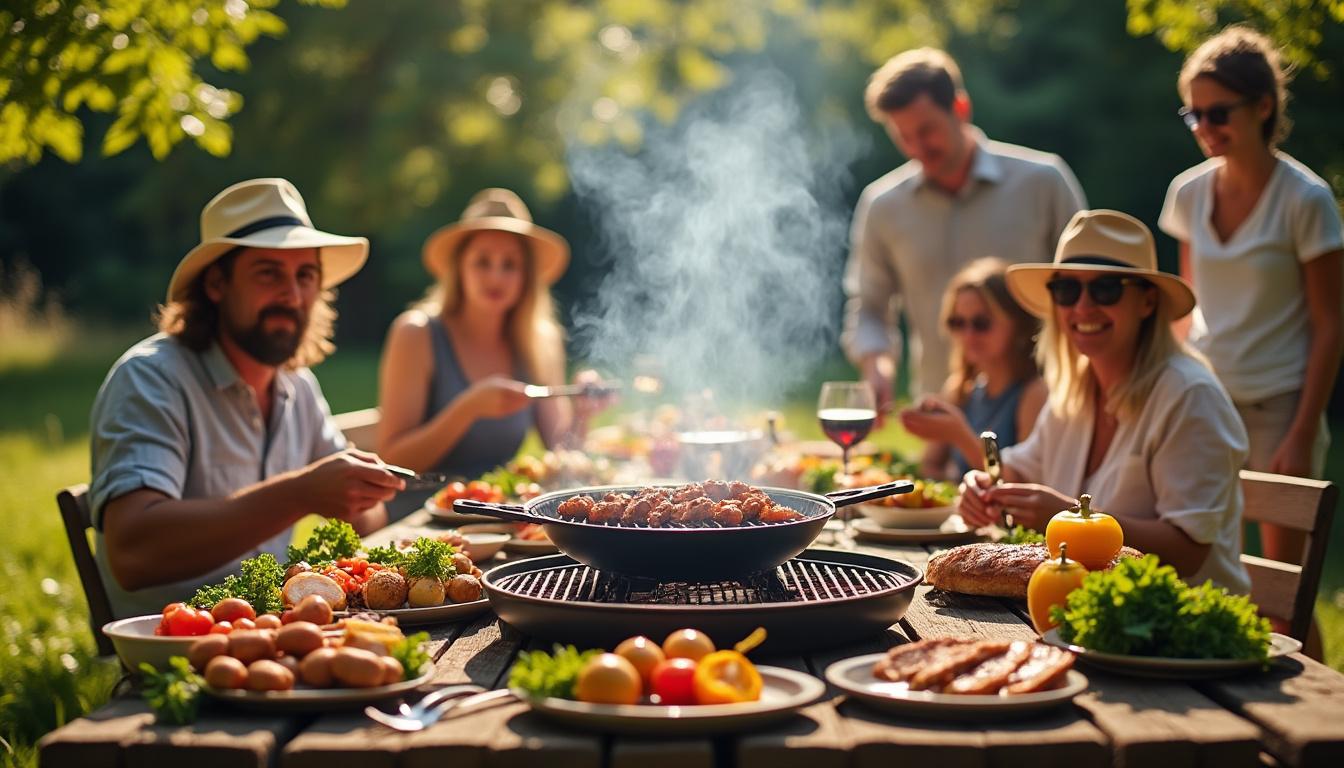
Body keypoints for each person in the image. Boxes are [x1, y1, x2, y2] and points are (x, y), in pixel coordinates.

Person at [90, 178, 405, 618]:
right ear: (216, 284)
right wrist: (301, 494)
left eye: (305, 275)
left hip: (273, 626)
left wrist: (360, 491)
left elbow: (367, 518)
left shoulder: (297, 387)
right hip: (176, 647)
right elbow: (134, 553)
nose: (292, 295)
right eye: (268, 273)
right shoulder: (151, 378)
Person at [959, 210, 1251, 593]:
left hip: (1173, 622)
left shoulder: (1189, 395)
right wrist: (980, 485)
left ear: (1147, 302)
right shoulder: (1074, 390)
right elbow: (1020, 470)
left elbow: (1188, 551)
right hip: (1086, 610)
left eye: (1106, 289)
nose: (1082, 306)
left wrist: (1072, 519)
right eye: (1066, 289)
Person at [1158, 26, 1343, 571]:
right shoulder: (1187, 193)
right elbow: (1185, 308)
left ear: (1263, 106)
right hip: (1206, 403)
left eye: (1219, 113)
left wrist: (1302, 431)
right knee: (1215, 574)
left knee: (1286, 587)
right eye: (1194, 115)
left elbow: (1330, 323)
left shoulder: (1305, 199)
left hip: (1279, 407)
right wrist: (1166, 395)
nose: (1206, 128)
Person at [842, 47, 1086, 415]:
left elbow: (1087, 287)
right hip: (940, 409)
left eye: (927, 130)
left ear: (960, 108)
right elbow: (869, 306)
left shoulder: (1043, 181)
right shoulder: (882, 205)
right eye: (903, 137)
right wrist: (877, 365)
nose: (917, 148)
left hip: (1048, 406)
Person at [377, 188, 604, 518]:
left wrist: (583, 411)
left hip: (496, 517)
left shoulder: (540, 340)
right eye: (482, 261)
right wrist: (467, 409)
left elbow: (560, 449)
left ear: (527, 277)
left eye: (510, 264)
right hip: (416, 524)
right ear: (460, 268)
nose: (496, 276)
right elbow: (394, 461)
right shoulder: (417, 333)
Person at [899, 257, 1045, 479]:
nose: (968, 335)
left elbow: (1020, 483)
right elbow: (928, 467)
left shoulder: (1034, 394)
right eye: (957, 323)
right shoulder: (962, 388)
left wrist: (961, 437)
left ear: (1018, 324)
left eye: (981, 323)